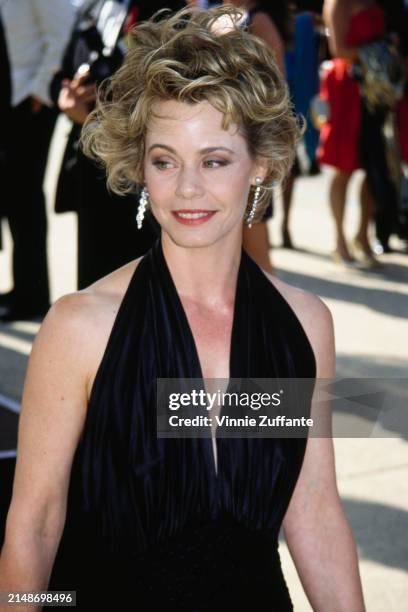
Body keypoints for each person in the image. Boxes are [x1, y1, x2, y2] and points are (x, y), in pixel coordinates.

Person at [0, 7, 365, 611]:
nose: (186, 188)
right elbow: (35, 525)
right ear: (141, 168)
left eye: (215, 160)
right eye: (165, 160)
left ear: (262, 166)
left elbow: (314, 507)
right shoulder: (81, 327)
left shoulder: (301, 325)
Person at [50, 0, 157, 290]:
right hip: (93, 159)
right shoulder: (94, 6)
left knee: (137, 279)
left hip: (138, 166)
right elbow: (67, 64)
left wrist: (93, 117)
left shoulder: (163, 9)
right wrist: (65, 95)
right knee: (94, 279)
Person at [0, 0, 76, 321]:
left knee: (24, 198)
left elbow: (62, 31)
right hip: (10, 98)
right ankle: (22, 289)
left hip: (29, 103)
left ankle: (32, 296)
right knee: (13, 199)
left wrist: (39, 90)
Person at [318, 0, 406, 265]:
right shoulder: (337, 3)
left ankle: (363, 236)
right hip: (350, 90)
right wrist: (380, 51)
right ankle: (339, 240)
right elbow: (340, 50)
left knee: (375, 166)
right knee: (344, 167)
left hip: (377, 92)